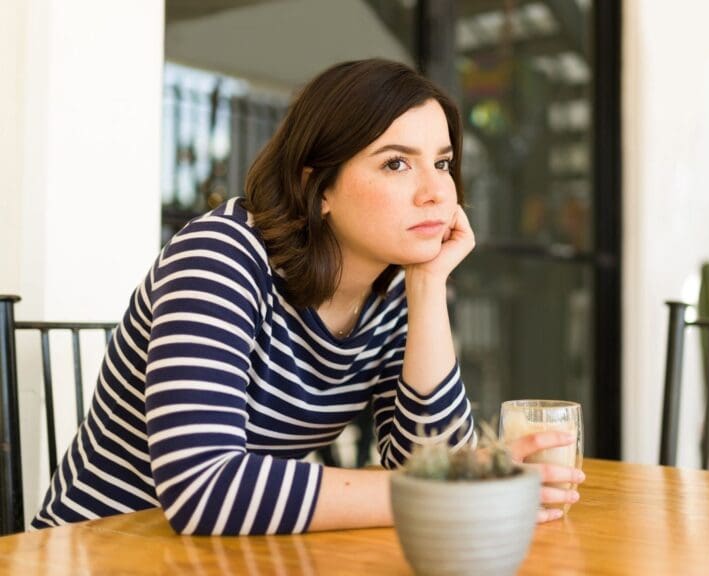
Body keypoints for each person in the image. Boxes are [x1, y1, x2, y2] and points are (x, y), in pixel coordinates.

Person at [31, 59, 583, 535]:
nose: (438, 190)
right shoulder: (219, 255)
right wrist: (460, 486)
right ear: (318, 188)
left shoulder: (392, 284)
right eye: (396, 163)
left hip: (234, 554)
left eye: (441, 162)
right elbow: (203, 486)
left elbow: (430, 464)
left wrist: (428, 284)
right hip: (98, 551)